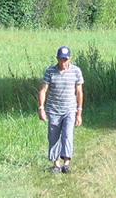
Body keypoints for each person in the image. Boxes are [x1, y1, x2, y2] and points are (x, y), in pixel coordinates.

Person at [38, 46, 84, 174]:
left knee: (67, 135)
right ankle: (56, 164)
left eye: (65, 59)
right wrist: (41, 108)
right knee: (53, 137)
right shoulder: (50, 71)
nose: (63, 62)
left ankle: (66, 163)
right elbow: (43, 90)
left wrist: (79, 112)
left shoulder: (76, 71)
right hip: (54, 110)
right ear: (57, 59)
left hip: (70, 109)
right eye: (60, 59)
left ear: (70, 59)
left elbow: (79, 92)